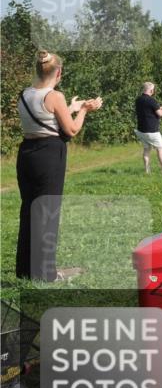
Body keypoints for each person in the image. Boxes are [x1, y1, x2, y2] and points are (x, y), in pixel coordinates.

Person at [16, 51, 103, 281]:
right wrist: (84, 110)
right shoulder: (55, 96)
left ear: (38, 70)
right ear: (59, 73)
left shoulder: (24, 94)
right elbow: (71, 130)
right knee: (47, 212)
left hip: (26, 154)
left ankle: (25, 269)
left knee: (29, 210)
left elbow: (44, 117)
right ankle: (47, 273)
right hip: (49, 156)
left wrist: (71, 107)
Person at [135, 82, 162, 174]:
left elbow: (149, 110)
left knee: (146, 149)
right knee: (160, 149)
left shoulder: (138, 99)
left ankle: (147, 170)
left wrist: (158, 108)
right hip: (152, 131)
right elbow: (159, 113)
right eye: (153, 89)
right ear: (151, 90)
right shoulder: (151, 100)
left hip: (141, 130)